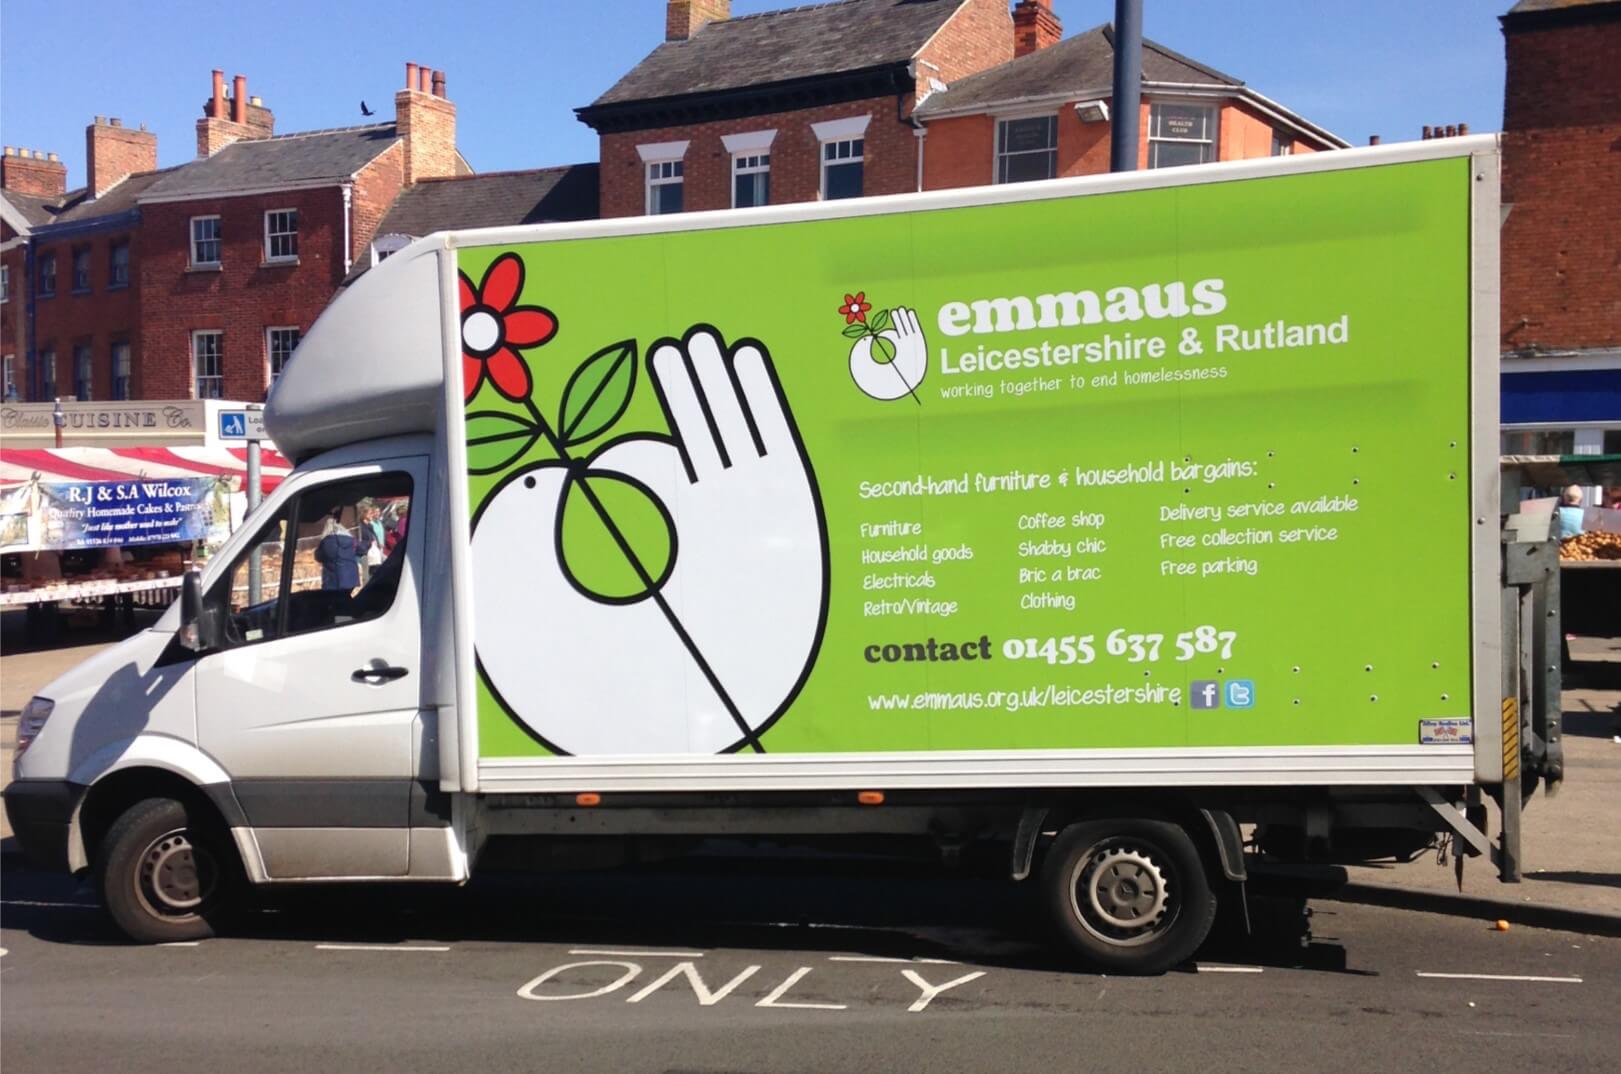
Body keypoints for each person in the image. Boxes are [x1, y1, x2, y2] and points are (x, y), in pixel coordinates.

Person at [312, 507, 360, 592]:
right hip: (351, 578)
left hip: (334, 579)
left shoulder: (327, 541)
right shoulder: (351, 539)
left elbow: (318, 556)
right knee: (346, 599)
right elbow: (360, 549)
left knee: (334, 601)